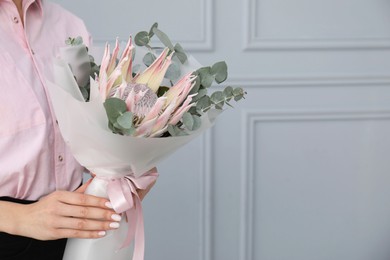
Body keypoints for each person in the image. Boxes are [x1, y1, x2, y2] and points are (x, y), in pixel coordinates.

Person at [0, 0, 156, 259]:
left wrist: (126, 174)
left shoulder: (69, 26)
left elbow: (90, 126)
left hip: (78, 230)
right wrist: (20, 218)